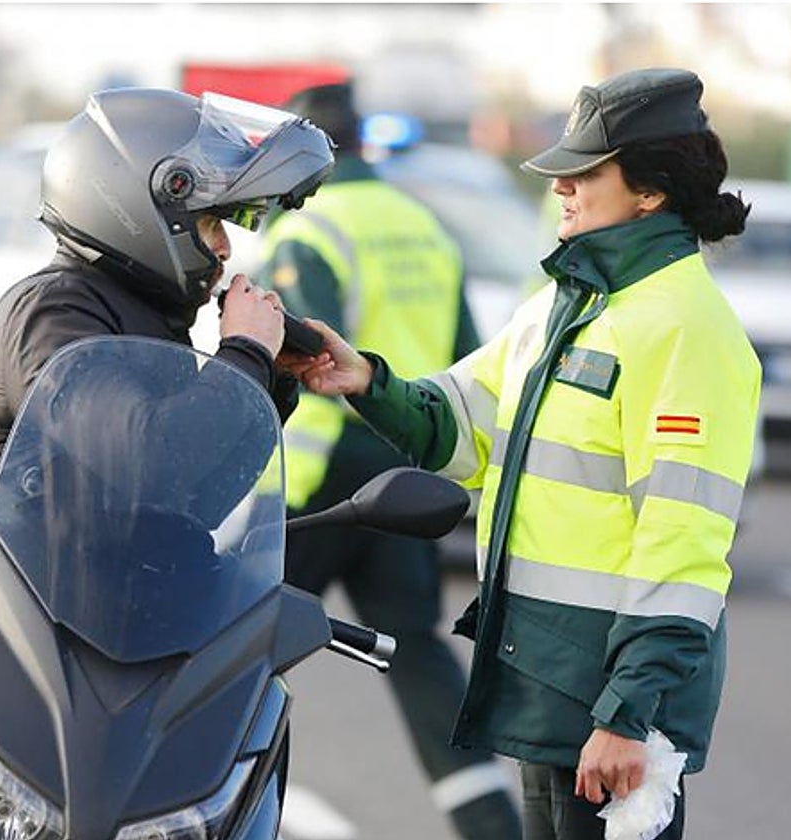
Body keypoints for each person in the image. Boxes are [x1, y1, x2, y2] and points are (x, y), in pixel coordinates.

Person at [285, 68, 762, 840]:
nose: (562, 188)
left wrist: (628, 715)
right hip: (545, 682)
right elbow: (461, 427)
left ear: (650, 192)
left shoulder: (686, 327)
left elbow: (686, 546)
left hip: (609, 707)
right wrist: (365, 381)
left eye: (585, 172)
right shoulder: (564, 303)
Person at [255, 83, 523, 840]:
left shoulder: (309, 229)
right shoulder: (423, 226)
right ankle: (493, 827)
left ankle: (188, 804)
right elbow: (469, 359)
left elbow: (305, 357)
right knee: (415, 656)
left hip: (317, 488)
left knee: (238, 652)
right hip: (405, 477)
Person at [0, 87, 333, 511]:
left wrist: (267, 379)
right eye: (210, 223)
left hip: (129, 574)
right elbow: (150, 465)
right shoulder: (53, 312)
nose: (225, 247)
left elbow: (199, 501)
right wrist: (244, 352)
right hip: (29, 575)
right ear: (138, 206)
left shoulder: (151, 316)